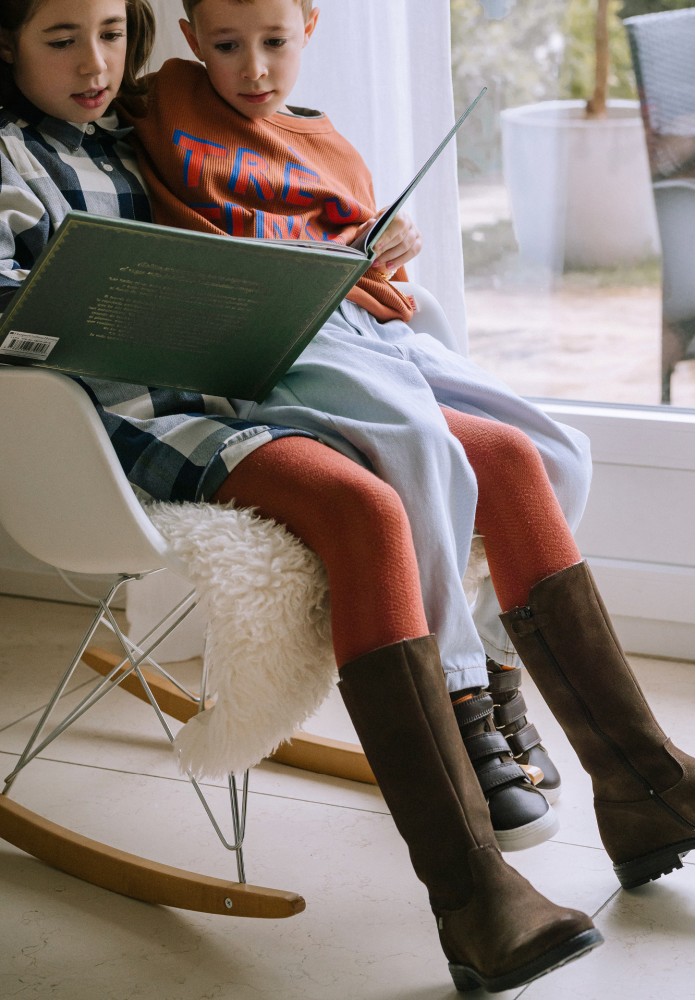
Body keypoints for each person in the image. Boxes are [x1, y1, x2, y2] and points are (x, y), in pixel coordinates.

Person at [0, 0, 691, 993]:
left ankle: (643, 782)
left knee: (509, 454)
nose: (94, 61)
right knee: (368, 508)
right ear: (7, 43)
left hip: (239, 372)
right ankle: (471, 894)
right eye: (61, 40)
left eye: (110, 32)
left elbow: (252, 196)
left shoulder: (132, 126)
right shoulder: (12, 157)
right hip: (121, 423)